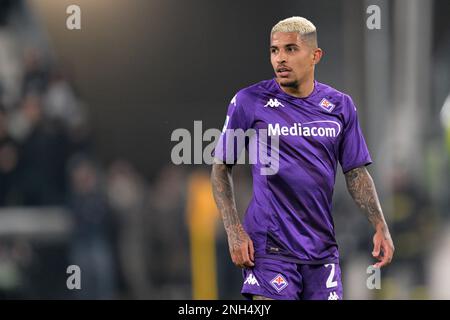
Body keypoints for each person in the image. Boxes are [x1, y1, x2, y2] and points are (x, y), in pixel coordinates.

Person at [210, 16, 394, 300]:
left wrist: (380, 225)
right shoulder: (249, 101)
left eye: (291, 49)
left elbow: (355, 172)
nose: (280, 59)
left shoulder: (340, 106)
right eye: (274, 50)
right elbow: (221, 168)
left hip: (321, 252)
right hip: (269, 250)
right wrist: (234, 231)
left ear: (315, 55)